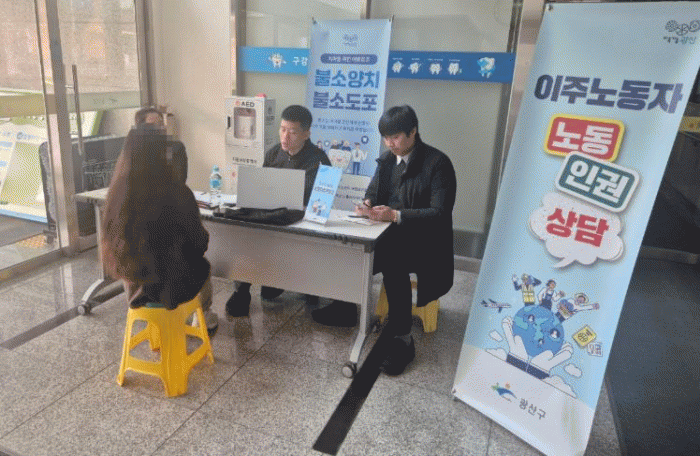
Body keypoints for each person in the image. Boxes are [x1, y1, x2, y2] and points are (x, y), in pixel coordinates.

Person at [313, 105, 457, 375]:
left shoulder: (438, 164)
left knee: (393, 262)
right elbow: (373, 191)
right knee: (351, 249)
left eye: (396, 137)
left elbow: (439, 213)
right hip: (387, 233)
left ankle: (403, 338)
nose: (390, 144)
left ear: (413, 132)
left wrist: (395, 215)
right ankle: (345, 308)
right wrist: (367, 204)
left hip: (425, 241)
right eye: (386, 138)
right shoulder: (388, 160)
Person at [102, 126, 218, 336]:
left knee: (140, 265)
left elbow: (111, 240)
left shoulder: (116, 195)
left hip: (135, 290)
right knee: (203, 265)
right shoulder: (178, 193)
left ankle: (153, 324)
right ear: (162, 155)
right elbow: (199, 244)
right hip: (173, 291)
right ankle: (204, 315)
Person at [226, 105, 331, 317]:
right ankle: (242, 292)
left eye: (292, 132)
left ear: (306, 134)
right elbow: (262, 188)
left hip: (301, 224)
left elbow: (322, 202)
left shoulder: (320, 160)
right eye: (282, 129)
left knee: (272, 288)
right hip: (273, 219)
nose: (285, 136)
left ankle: (307, 284)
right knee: (246, 235)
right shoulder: (274, 153)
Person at [134, 107, 188, 184]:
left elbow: (179, 180)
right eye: (152, 125)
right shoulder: (133, 151)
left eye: (161, 123)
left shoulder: (176, 148)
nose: (160, 128)